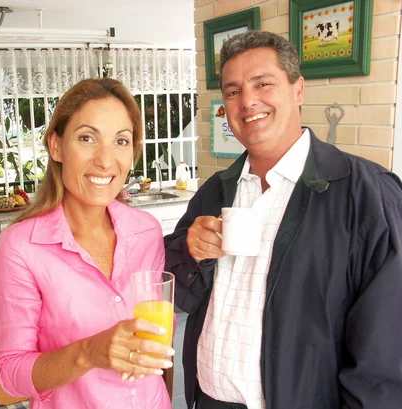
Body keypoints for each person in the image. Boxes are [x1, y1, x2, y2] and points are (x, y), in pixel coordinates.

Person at [164, 30, 402, 409]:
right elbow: (176, 287)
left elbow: (387, 348)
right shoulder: (215, 190)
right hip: (209, 401)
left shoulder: (368, 195)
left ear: (298, 89)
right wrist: (191, 252)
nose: (247, 102)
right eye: (232, 91)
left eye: (263, 84)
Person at [0, 78, 174, 408]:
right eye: (87, 138)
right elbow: (9, 375)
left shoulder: (146, 231)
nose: (105, 160)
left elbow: (158, 324)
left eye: (121, 141)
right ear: (56, 146)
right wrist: (87, 353)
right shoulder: (20, 248)